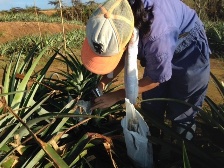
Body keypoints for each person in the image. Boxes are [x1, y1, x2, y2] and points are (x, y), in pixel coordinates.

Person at [81, 0, 210, 142]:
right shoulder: (117, 11)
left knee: (182, 110)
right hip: (160, 42)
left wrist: (117, 96)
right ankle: (153, 143)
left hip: (187, 49)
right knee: (151, 104)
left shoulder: (156, 37)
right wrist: (103, 84)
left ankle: (180, 154)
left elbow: (156, 78)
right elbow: (121, 54)